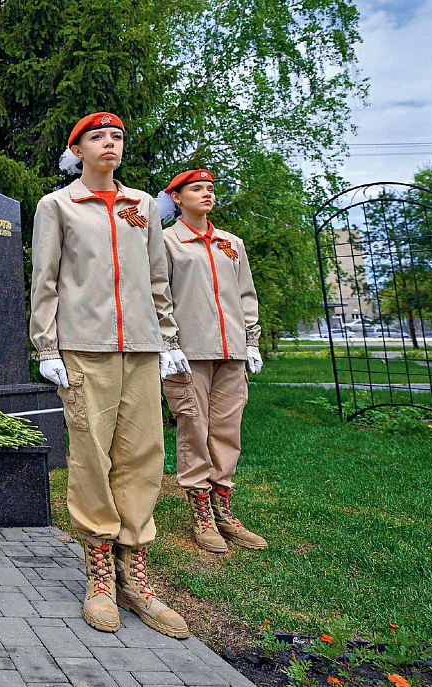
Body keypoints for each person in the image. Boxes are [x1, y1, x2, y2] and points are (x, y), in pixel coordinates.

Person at [29, 112, 191, 638]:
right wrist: (46, 345)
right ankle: (100, 574)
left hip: (141, 348)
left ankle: (134, 576)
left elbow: (158, 279)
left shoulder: (141, 205)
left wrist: (168, 340)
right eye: (97, 137)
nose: (109, 144)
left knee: (144, 456)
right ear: (77, 150)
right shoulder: (58, 206)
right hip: (84, 349)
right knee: (91, 457)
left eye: (116, 136)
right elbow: (46, 279)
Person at [158, 169, 267, 553]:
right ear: (177, 198)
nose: (207, 194)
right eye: (197, 189)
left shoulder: (230, 243)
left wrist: (250, 340)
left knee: (226, 430)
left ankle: (223, 508)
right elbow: (159, 295)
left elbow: (246, 294)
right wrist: (168, 342)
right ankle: (201, 512)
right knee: (194, 427)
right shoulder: (167, 242)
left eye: (210, 188)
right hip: (190, 353)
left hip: (231, 352)